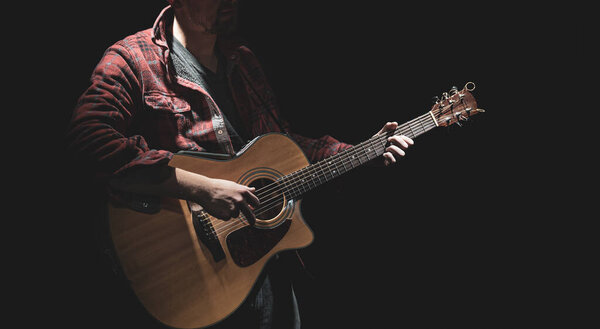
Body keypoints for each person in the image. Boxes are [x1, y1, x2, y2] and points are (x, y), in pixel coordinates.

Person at [66, 0, 414, 328]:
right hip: (187, 274)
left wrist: (361, 152)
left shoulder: (241, 60)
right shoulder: (132, 59)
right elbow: (89, 139)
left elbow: (283, 146)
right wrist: (201, 188)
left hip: (263, 267)